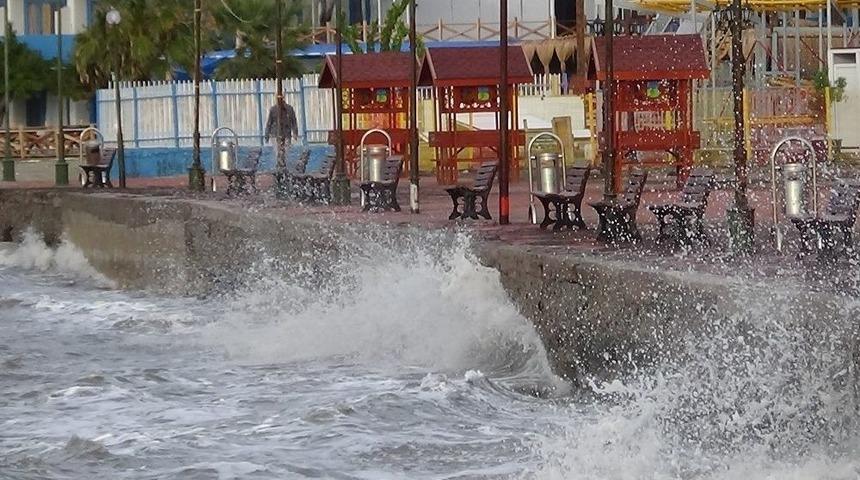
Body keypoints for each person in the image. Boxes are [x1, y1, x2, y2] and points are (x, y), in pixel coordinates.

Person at [264, 97, 299, 170]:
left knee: (285, 152)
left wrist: (295, 133)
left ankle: (282, 166)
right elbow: (269, 123)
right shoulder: (273, 109)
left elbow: (294, 122)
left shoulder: (289, 109)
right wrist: (267, 135)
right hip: (275, 134)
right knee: (278, 152)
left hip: (286, 134)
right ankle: (280, 167)